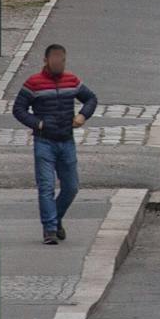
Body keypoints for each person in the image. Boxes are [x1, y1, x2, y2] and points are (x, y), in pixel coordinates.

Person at [13, 43, 99, 246]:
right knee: (46, 186)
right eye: (56, 59)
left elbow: (90, 98)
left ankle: (56, 218)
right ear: (46, 60)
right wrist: (37, 123)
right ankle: (50, 229)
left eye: (63, 59)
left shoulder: (71, 80)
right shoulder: (34, 83)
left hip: (66, 140)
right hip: (44, 142)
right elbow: (19, 109)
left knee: (71, 186)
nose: (59, 63)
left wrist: (82, 115)